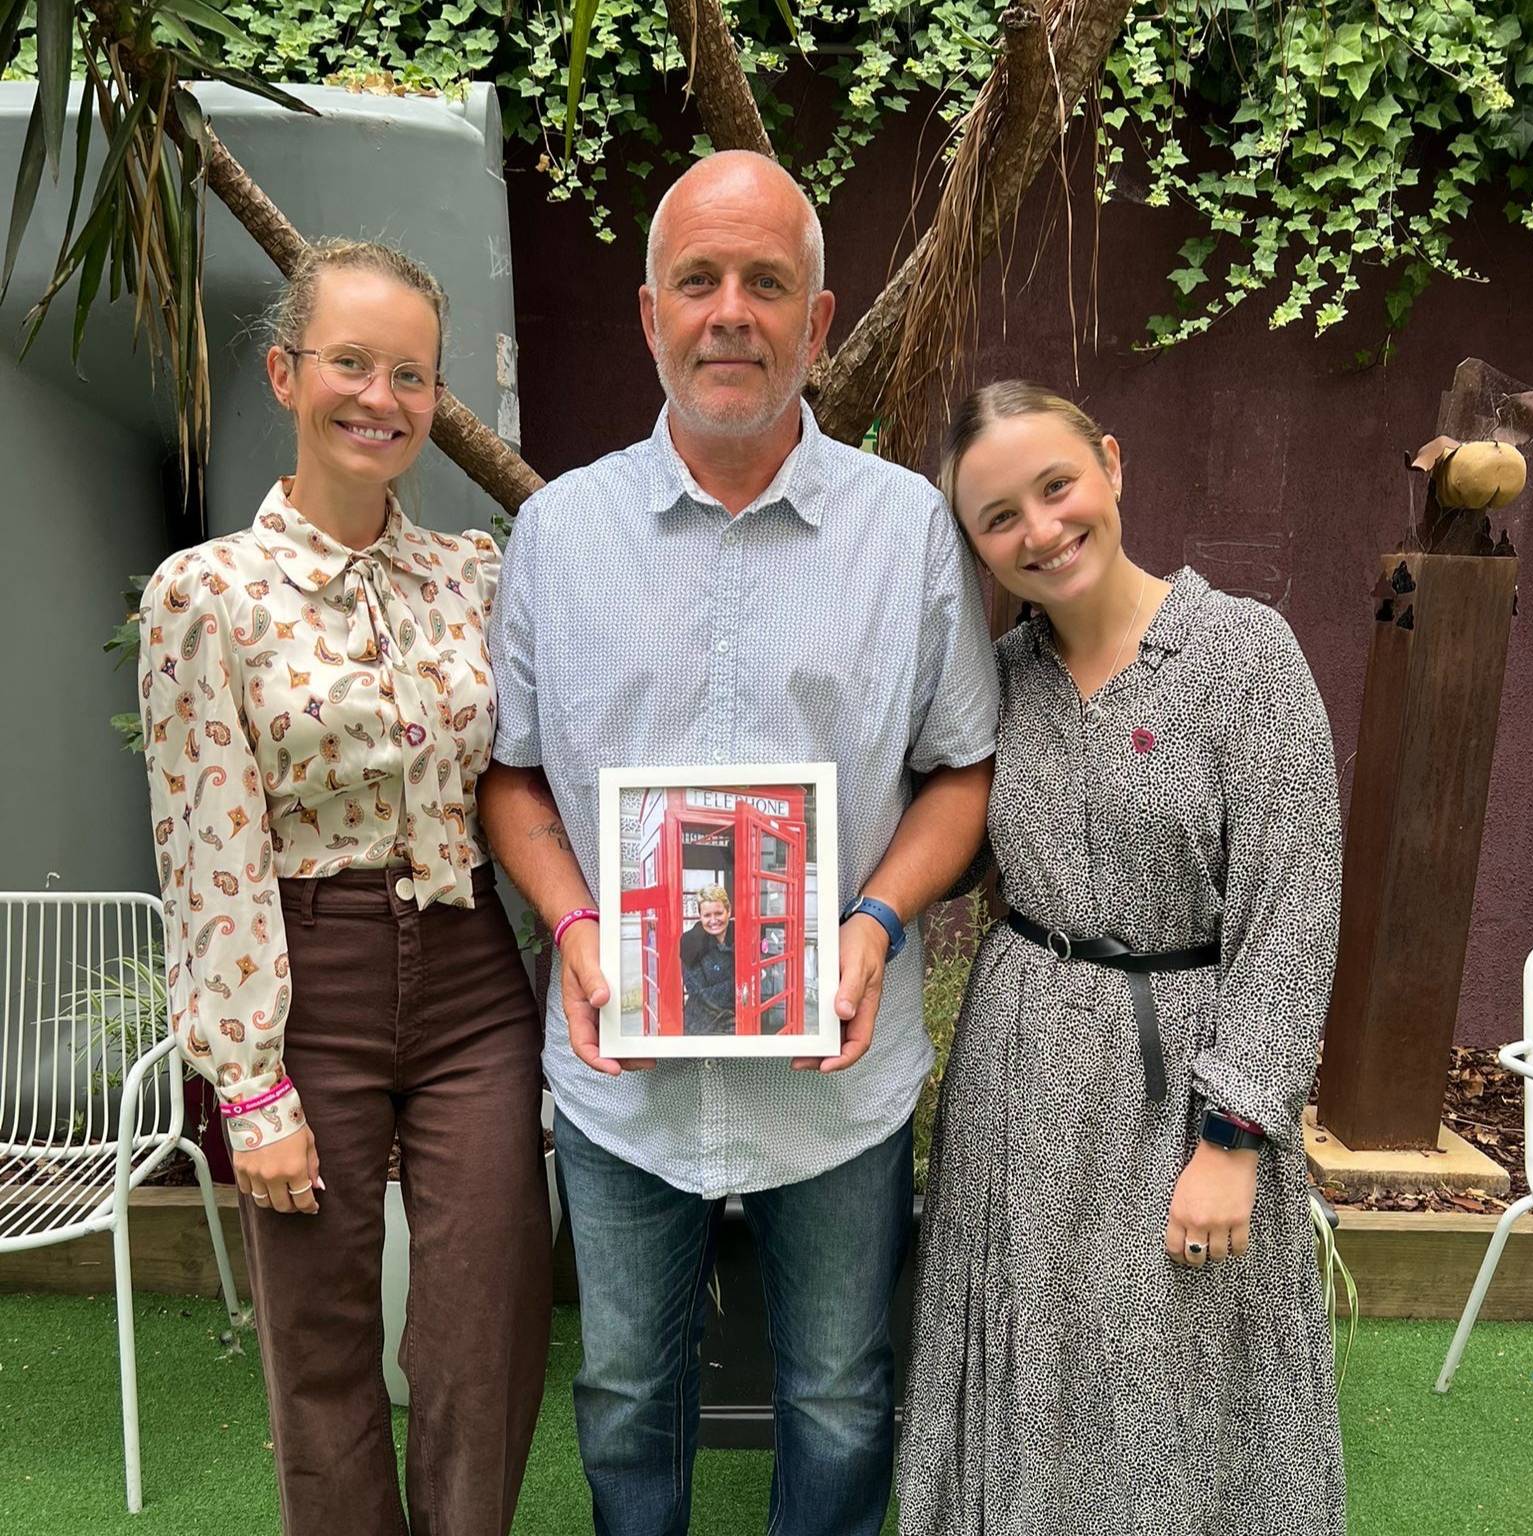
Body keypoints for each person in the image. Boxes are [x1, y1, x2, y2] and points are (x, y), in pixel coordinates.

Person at [479, 150, 999, 1536]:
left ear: (817, 324)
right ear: (650, 312)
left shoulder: (911, 537)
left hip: (835, 1088)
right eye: (698, 281)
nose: (731, 312)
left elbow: (963, 775)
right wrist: (579, 930)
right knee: (624, 1391)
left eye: (767, 283)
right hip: (625, 1077)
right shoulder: (557, 534)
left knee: (837, 1392)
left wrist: (875, 924)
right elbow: (513, 781)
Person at [138, 239, 551, 1536]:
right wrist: (249, 1084)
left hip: (474, 979)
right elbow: (207, 842)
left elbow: (535, 770)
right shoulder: (205, 595)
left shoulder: (475, 578)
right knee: (321, 1355)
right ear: (285, 373)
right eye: (352, 364)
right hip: (304, 981)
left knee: (484, 1332)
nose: (382, 398)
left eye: (413, 375)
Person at [898, 381, 1346, 1535]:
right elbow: (931, 844)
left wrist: (1236, 1135)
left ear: (1110, 464)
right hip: (1024, 1076)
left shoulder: (1246, 655)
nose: (1040, 530)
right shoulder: (994, 686)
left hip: (1188, 1079)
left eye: (1057, 487)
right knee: (1033, 1354)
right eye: (1000, 518)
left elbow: (1292, 910)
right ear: (978, 549)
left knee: (1177, 1366)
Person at [680, 884, 736, 1035]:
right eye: (707, 915)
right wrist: (740, 985)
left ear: (728, 911)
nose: (713, 920)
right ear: (700, 916)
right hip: (701, 1025)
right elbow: (699, 994)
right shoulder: (690, 943)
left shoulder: (742, 935)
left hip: (736, 1022)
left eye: (718, 913)